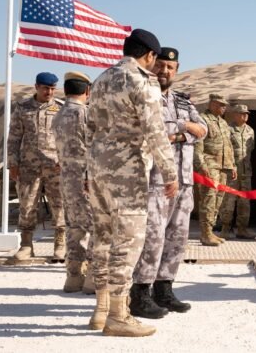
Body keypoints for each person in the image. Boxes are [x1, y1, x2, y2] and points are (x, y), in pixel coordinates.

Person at [86, 29, 179, 337]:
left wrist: (89, 169)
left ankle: (101, 310)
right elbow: (155, 131)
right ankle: (118, 316)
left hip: (97, 169)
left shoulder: (101, 80)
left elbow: (89, 127)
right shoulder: (142, 81)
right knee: (127, 243)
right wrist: (170, 173)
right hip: (126, 172)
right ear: (150, 55)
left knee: (102, 238)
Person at [131, 47, 207, 319]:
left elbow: (204, 129)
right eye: (160, 65)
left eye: (170, 67)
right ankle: (140, 292)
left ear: (176, 70)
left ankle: (164, 289)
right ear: (152, 64)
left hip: (184, 181)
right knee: (153, 237)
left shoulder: (183, 102)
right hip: (156, 181)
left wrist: (178, 132)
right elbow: (150, 131)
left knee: (177, 237)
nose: (164, 71)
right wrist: (184, 128)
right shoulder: (144, 95)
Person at [8, 72, 66, 262]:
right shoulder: (22, 107)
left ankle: (60, 244)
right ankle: (26, 244)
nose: (49, 92)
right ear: (37, 87)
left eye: (52, 88)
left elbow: (67, 138)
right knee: (27, 204)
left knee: (59, 204)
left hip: (55, 166)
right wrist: (13, 163)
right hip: (28, 166)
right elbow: (14, 137)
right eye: (45, 88)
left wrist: (65, 161)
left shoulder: (61, 108)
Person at [51, 71, 95, 294]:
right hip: (86, 179)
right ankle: (93, 279)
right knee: (96, 228)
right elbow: (94, 148)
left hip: (67, 179)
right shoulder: (85, 114)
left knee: (74, 229)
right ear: (87, 90)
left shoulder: (58, 114)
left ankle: (73, 276)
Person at [194, 93, 236, 246]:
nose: (224, 108)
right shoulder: (202, 119)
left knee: (218, 200)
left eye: (225, 105)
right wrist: (201, 166)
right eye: (221, 105)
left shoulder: (223, 123)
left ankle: (210, 231)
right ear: (212, 104)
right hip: (209, 165)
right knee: (209, 199)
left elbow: (229, 145)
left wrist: (232, 165)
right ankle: (205, 234)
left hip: (223, 167)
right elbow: (197, 145)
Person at [220, 104, 256, 240]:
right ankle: (225, 229)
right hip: (231, 172)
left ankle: (242, 229)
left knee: (245, 202)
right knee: (228, 201)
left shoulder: (250, 131)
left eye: (246, 113)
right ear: (235, 115)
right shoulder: (228, 129)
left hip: (246, 172)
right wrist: (230, 166)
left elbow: (251, 149)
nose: (245, 116)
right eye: (242, 113)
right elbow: (225, 150)